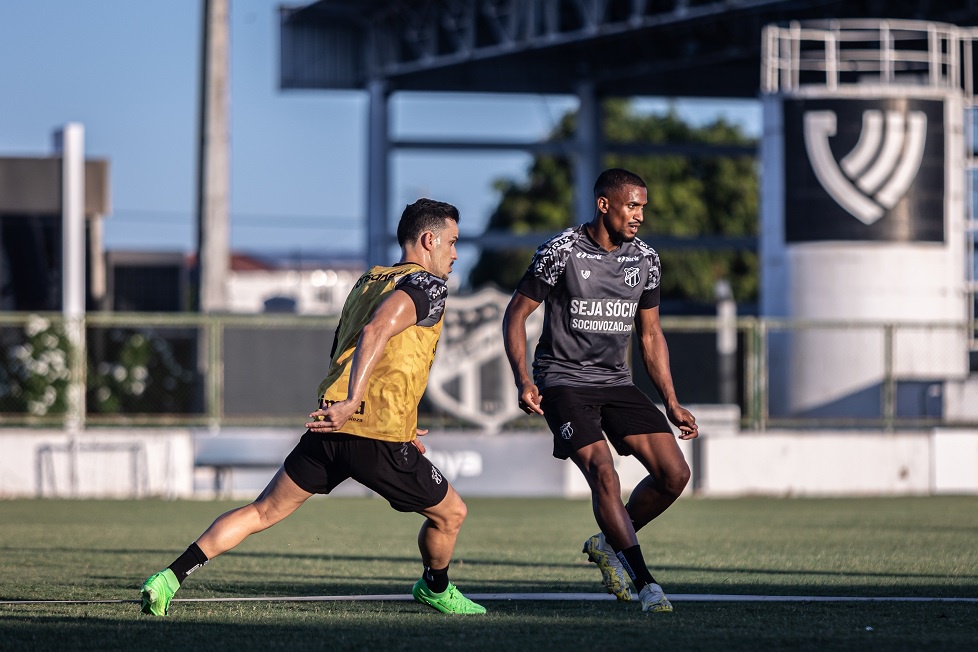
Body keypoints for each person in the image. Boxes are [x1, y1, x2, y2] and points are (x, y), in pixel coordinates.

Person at [140, 198, 486, 616]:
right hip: (371, 432)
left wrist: (382, 415)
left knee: (262, 511)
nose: (455, 253)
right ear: (429, 240)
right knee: (451, 514)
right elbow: (376, 330)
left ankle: (169, 578)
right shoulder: (428, 285)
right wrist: (358, 403)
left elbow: (353, 349)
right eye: (452, 242)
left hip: (331, 425)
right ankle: (435, 587)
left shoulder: (369, 279)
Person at [502, 168, 698, 614]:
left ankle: (609, 541)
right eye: (632, 205)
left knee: (675, 475)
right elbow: (515, 315)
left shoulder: (646, 259)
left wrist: (671, 401)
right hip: (562, 381)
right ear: (604, 204)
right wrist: (523, 379)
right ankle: (646, 584)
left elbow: (650, 335)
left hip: (615, 382)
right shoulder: (560, 251)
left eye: (643, 207)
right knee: (603, 472)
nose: (639, 215)